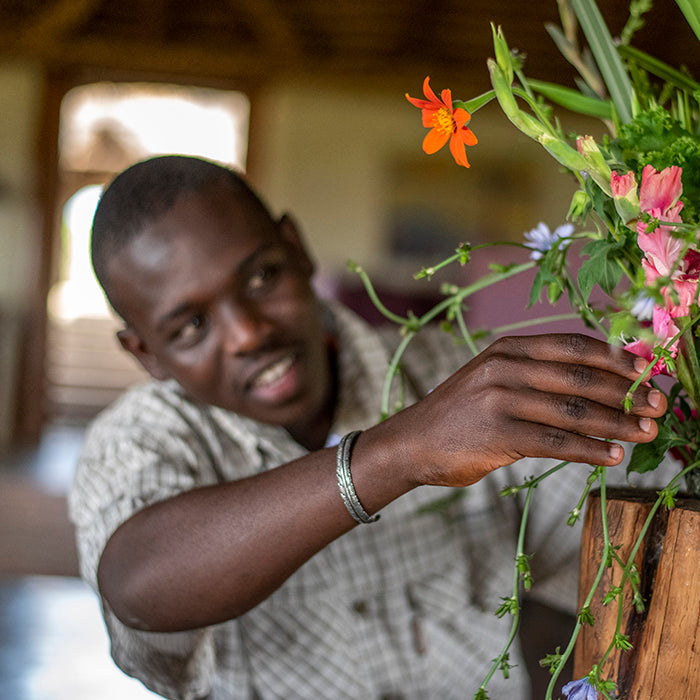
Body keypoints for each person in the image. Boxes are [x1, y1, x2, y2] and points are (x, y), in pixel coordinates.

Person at [69, 154, 666, 700]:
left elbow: (655, 506)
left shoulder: (462, 378)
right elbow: (138, 587)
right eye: (191, 327)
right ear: (143, 351)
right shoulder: (139, 443)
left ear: (296, 249)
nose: (249, 333)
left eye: (260, 279)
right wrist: (397, 453)